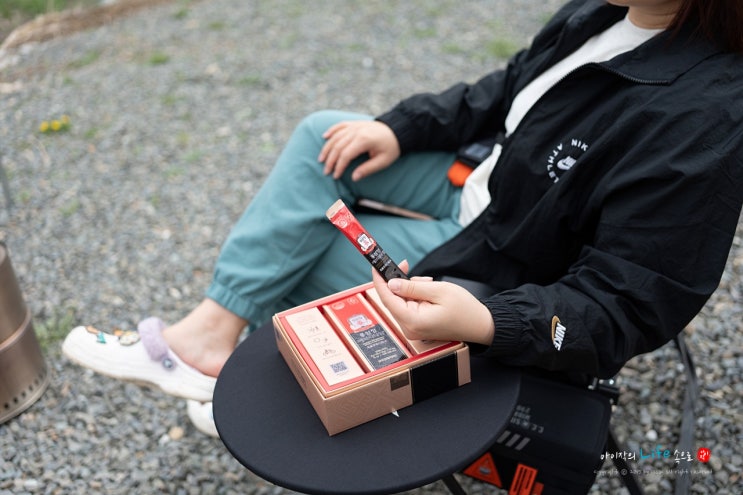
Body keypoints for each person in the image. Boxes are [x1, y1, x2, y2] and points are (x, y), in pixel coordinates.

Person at [63, 0, 743, 439]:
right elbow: (507, 88)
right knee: (326, 137)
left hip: (505, 262)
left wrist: (490, 322)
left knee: (299, 249)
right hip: (493, 183)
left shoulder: (705, 118)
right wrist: (400, 127)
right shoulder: (607, 11)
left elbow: (630, 300)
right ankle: (211, 337)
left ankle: (241, 357)